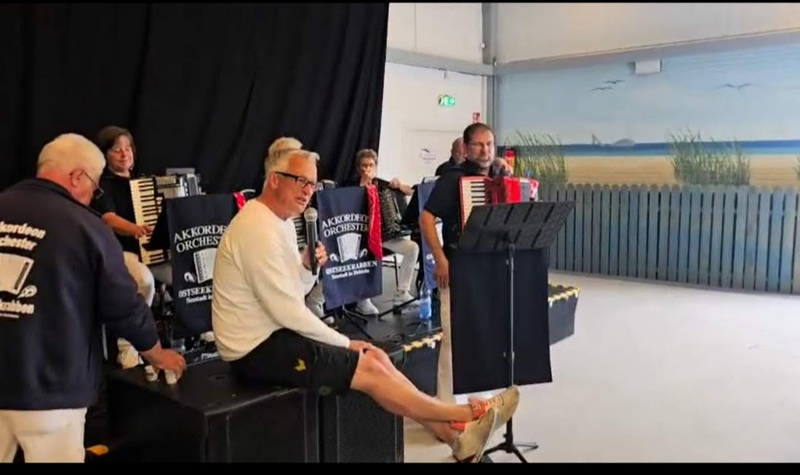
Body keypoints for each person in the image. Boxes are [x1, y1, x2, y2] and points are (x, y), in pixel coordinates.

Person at [211, 148, 520, 463]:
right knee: (368, 367)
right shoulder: (257, 228)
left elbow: (294, 292)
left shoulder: (283, 222)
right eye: (301, 181)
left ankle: (456, 438)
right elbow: (287, 311)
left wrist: (306, 268)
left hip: (275, 331)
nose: (308, 191)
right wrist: (345, 343)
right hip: (253, 349)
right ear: (275, 180)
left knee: (378, 358)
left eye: (312, 184)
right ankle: (465, 414)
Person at [0, 133, 186, 463]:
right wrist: (156, 353)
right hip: (51, 390)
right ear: (77, 176)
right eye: (94, 186)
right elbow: (124, 305)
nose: (92, 197)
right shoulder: (86, 227)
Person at [419, 122, 512, 404]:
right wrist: (440, 259)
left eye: (489, 144)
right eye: (479, 145)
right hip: (459, 265)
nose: (485, 150)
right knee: (455, 338)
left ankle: (480, 399)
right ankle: (448, 407)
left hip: (491, 267)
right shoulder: (453, 179)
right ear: (467, 147)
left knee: (485, 334)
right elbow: (426, 218)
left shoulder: (499, 177)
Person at [90, 126, 173, 368]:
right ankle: (128, 344)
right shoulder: (102, 186)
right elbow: (108, 219)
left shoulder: (144, 183)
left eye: (127, 148)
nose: (124, 154)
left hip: (150, 253)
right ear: (105, 155)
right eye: (116, 150)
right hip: (120, 253)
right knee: (144, 281)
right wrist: (134, 228)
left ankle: (192, 332)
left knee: (187, 273)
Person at [306, 148, 418, 317]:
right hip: (355, 237)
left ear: (376, 167)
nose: (367, 169)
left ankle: (402, 292)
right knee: (351, 260)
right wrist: (361, 186)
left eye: (371, 165)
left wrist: (400, 185)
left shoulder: (381, 185)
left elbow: (412, 192)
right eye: (364, 166)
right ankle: (352, 300)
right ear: (358, 168)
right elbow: (345, 206)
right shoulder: (349, 184)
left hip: (381, 235)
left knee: (412, 248)